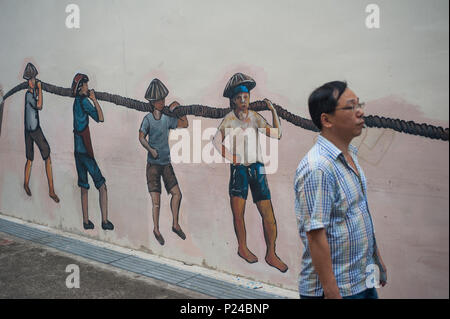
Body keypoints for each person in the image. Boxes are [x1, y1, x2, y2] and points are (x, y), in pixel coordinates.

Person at [294, 81, 387, 299]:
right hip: (337, 289)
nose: (360, 112)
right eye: (351, 107)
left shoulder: (349, 155)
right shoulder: (318, 168)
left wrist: (376, 260)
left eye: (359, 104)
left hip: (361, 279)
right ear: (326, 120)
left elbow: (359, 214)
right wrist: (332, 293)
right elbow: (316, 235)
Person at [212, 73, 288, 273]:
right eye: (239, 98)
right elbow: (215, 141)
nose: (243, 101)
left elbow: (276, 134)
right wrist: (233, 158)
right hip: (239, 170)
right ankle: (242, 247)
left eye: (246, 97)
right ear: (233, 101)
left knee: (268, 213)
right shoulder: (229, 119)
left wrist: (273, 111)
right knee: (239, 213)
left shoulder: (255, 117)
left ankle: (271, 253)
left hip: (258, 168)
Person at [139, 78, 188, 246]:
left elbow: (184, 124)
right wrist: (150, 150)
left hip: (166, 163)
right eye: (159, 100)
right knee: (156, 201)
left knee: (177, 194)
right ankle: (156, 229)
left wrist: (179, 109)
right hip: (153, 165)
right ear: (152, 102)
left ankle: (175, 224)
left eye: (163, 99)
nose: (162, 102)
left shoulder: (167, 118)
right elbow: (141, 137)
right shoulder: (147, 119)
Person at [71, 73, 113, 231]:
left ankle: (86, 221)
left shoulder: (75, 102)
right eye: (86, 85)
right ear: (81, 87)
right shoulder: (84, 102)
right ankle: (105, 221)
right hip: (85, 149)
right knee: (101, 184)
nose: (88, 87)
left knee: (83, 186)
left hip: (77, 148)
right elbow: (100, 118)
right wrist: (94, 99)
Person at [21, 63, 59, 203]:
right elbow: (40, 106)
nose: (33, 82)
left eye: (34, 79)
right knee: (36, 158)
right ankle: (32, 185)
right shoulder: (29, 95)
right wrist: (41, 89)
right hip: (33, 130)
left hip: (30, 129)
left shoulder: (31, 93)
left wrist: (38, 90)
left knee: (40, 157)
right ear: (28, 81)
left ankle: (50, 190)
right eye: (30, 80)